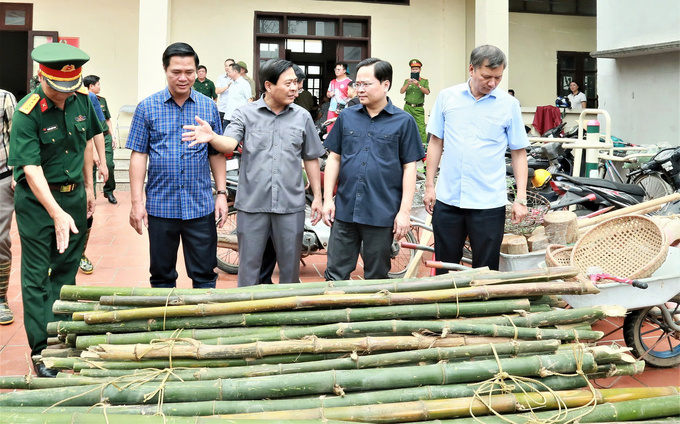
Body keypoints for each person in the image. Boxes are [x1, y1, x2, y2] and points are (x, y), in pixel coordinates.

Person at [182, 58, 325, 287]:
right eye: (288, 83)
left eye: (296, 83)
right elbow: (229, 143)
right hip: (252, 205)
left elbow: (310, 157)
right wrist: (213, 137)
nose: (295, 88)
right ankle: (247, 319)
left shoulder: (302, 116)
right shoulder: (245, 113)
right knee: (248, 270)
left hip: (290, 205)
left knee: (290, 273)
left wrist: (317, 197)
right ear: (269, 85)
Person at [9, 43, 102, 377]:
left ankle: (62, 337)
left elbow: (88, 142)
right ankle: (42, 351)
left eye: (70, 87)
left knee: (66, 271)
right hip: (37, 204)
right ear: (41, 76)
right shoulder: (27, 111)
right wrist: (55, 212)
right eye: (57, 88)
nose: (64, 95)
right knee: (36, 278)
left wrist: (90, 190)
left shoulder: (83, 100)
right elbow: (30, 169)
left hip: (74, 198)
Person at [126, 42, 227, 289]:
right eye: (176, 72)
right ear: (165, 69)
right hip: (161, 206)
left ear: (197, 71)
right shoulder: (147, 107)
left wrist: (222, 194)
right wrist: (137, 203)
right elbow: (139, 156)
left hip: (200, 205)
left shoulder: (208, 106)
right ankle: (164, 323)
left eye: (189, 72)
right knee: (161, 276)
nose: (183, 78)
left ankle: (203, 325)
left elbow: (216, 153)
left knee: (204, 274)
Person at [423, 44, 529, 271]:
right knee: (445, 266)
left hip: (488, 202)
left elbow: (519, 152)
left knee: (486, 270)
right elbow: (436, 142)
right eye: (486, 77)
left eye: (498, 78)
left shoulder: (508, 105)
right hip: (449, 198)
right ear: (471, 69)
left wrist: (521, 198)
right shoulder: (447, 98)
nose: (492, 83)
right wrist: (430, 185)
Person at [322, 58, 424, 281]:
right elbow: (334, 158)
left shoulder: (404, 121)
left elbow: (409, 168)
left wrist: (404, 212)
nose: (359, 89)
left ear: (385, 84)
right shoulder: (347, 117)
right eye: (357, 84)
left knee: (376, 276)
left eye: (366, 84)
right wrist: (328, 199)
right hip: (345, 210)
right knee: (335, 274)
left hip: (381, 213)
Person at [79, 76, 111, 274]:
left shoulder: (88, 98)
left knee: (87, 209)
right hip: (56, 166)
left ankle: (80, 253)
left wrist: (103, 161)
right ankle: (55, 256)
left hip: (85, 163)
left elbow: (97, 130)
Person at [85, 75, 117, 204]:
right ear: (91, 86)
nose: (100, 86)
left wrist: (112, 135)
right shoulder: (83, 99)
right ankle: (91, 195)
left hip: (105, 137)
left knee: (108, 164)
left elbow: (107, 119)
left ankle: (109, 191)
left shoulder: (101, 100)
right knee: (90, 167)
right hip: (90, 138)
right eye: (98, 84)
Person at [0, 88, 16, 326]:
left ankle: (0, 297)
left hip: (2, 177)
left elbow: (17, 137)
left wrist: (17, 171)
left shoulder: (5, 98)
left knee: (0, 238)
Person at [399, 59, 430, 147]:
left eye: (416, 69)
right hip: (408, 106)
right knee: (406, 126)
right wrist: (407, 84)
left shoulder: (424, 81)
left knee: (421, 128)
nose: (414, 70)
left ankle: (423, 148)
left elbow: (427, 92)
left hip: (418, 108)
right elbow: (401, 91)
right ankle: (406, 146)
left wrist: (418, 85)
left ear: (420, 70)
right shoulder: (407, 81)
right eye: (413, 69)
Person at [223, 63, 253, 127]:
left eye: (229, 72)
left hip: (238, 118)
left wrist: (249, 116)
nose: (228, 73)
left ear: (235, 71)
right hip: (228, 116)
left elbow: (249, 100)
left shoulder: (244, 84)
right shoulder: (231, 84)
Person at [216, 58, 235, 126]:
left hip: (233, 110)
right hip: (223, 108)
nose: (227, 67)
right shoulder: (221, 78)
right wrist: (227, 86)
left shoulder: (237, 79)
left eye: (229, 65)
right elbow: (217, 91)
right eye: (226, 66)